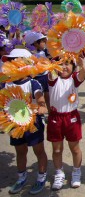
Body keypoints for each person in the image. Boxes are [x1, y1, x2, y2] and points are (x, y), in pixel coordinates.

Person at [3, 49, 48, 195]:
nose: (13, 64)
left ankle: (41, 177)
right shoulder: (6, 84)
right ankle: (21, 178)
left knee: (39, 151)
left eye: (17, 61)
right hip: (15, 125)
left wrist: (41, 106)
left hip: (32, 124)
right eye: (11, 61)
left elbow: (40, 98)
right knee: (20, 151)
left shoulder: (33, 83)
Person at [47, 56, 85, 190]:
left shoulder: (74, 79)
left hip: (71, 117)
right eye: (61, 64)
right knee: (57, 149)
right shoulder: (53, 78)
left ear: (73, 67)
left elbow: (83, 74)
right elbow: (52, 71)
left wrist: (82, 64)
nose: (64, 67)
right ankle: (59, 173)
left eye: (68, 64)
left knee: (75, 148)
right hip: (55, 118)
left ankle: (76, 171)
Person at [24, 31, 51, 114]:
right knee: (38, 95)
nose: (44, 44)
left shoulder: (45, 52)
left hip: (45, 76)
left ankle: (49, 112)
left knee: (47, 95)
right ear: (35, 43)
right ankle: (40, 112)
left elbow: (52, 54)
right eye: (43, 42)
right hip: (35, 77)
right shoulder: (28, 54)